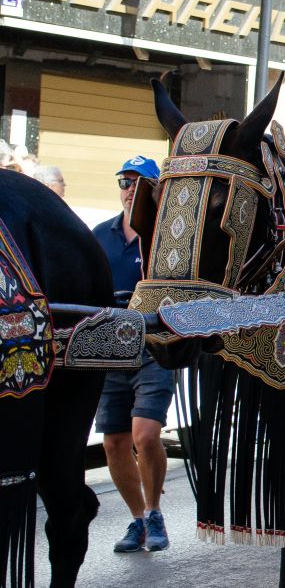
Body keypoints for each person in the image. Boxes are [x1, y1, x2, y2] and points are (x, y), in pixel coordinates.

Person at [92, 156, 173, 552]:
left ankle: (155, 512)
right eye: (124, 181)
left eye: (139, 183)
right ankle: (138, 519)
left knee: (145, 434)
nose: (129, 190)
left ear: (156, 190)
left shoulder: (167, 237)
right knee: (114, 441)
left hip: (153, 345)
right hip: (109, 348)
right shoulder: (99, 235)